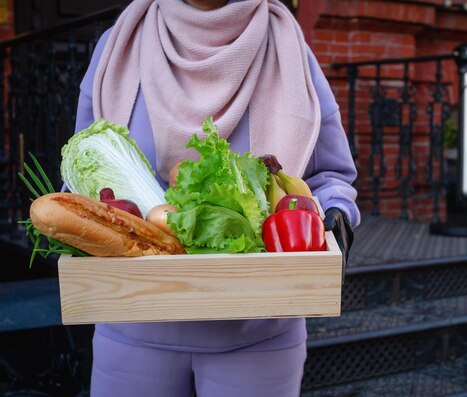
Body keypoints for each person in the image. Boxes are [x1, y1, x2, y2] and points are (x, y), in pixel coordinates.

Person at [74, 0, 359, 396]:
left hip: (259, 332)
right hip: (134, 328)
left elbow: (331, 175)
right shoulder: (118, 47)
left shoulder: (290, 49)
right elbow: (87, 167)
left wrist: (336, 212)